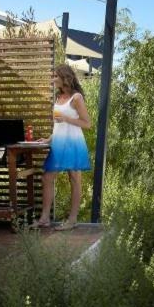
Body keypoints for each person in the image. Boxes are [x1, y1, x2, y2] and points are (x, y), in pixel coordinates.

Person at [32, 64, 91, 231]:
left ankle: (72, 220)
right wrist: (49, 138)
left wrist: (66, 118)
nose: (53, 79)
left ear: (64, 77)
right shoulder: (58, 98)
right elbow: (58, 125)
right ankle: (44, 218)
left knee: (74, 179)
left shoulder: (76, 98)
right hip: (58, 142)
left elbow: (87, 124)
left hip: (73, 142)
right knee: (47, 177)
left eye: (55, 76)